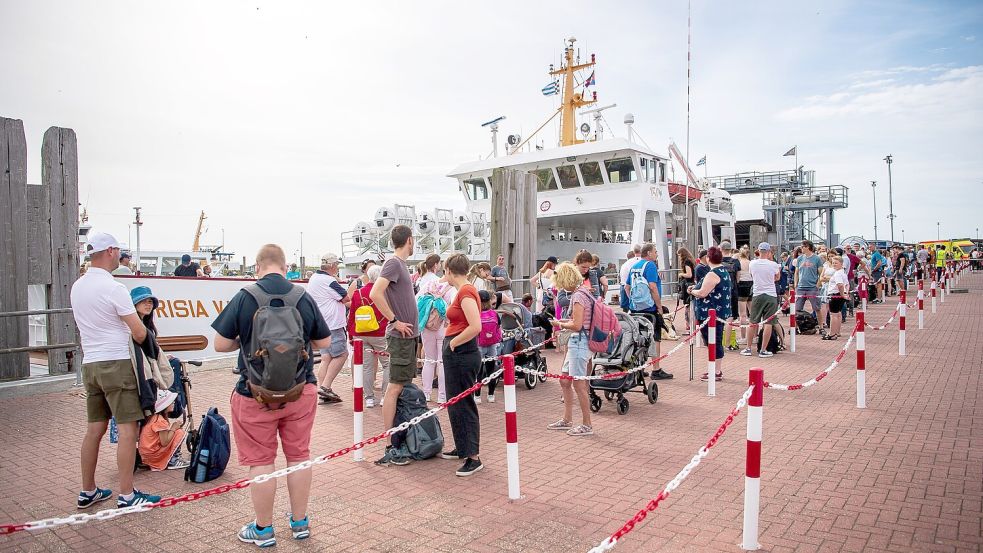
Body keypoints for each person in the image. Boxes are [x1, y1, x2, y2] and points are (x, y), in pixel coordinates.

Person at [212, 243, 330, 546]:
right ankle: (300, 522)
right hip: (299, 390)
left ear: (257, 266)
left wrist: (250, 340)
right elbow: (326, 342)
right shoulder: (302, 296)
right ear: (285, 264)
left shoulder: (245, 297)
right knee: (299, 455)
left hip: (254, 393)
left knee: (262, 461)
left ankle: (263, 529)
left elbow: (220, 345)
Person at [71, 232, 161, 509]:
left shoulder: (78, 286)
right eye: (119, 251)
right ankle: (127, 494)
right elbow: (137, 331)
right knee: (127, 430)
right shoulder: (114, 288)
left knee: (93, 430)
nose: (122, 256)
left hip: (91, 364)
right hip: (118, 363)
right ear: (109, 251)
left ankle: (88, 490)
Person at [370, 225, 420, 467]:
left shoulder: (401, 266)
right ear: (409, 240)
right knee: (394, 388)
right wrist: (394, 320)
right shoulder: (393, 264)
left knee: (401, 388)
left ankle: (400, 438)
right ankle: (391, 444)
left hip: (408, 338)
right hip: (400, 337)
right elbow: (375, 293)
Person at [438, 253, 485, 476]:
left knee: (462, 402)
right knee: (455, 401)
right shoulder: (464, 290)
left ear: (449, 270)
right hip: (458, 350)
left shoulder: (466, 291)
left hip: (462, 352)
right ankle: (463, 446)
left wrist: (454, 342)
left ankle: (473, 456)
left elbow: (476, 326)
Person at [547, 262, 596, 436]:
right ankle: (567, 419)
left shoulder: (577, 297)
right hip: (579, 341)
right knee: (565, 380)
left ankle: (586, 424)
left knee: (578, 384)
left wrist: (559, 323)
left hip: (579, 343)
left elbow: (576, 325)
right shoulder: (583, 293)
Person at [308, 253, 351, 404]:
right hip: (333, 324)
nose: (338, 268)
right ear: (332, 266)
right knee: (341, 355)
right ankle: (325, 387)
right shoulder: (329, 281)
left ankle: (323, 390)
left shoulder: (314, 278)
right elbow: (346, 299)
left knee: (326, 357)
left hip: (320, 324)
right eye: (337, 266)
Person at [625, 243, 672, 380]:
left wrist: (633, 301)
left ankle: (638, 367)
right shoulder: (650, 265)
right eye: (655, 252)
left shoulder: (634, 266)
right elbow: (653, 287)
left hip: (635, 308)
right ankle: (656, 369)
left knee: (638, 337)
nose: (656, 254)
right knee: (655, 337)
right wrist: (659, 306)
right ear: (649, 253)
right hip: (649, 309)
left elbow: (627, 287)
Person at [346, 264, 390, 408]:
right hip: (380, 333)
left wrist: (351, 335)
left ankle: (369, 397)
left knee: (367, 367)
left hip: (361, 333)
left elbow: (351, 315)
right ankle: (385, 396)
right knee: (387, 364)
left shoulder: (358, 293)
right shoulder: (384, 292)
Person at [689, 246, 732, 381]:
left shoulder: (712, 274)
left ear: (708, 258)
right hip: (720, 311)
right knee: (715, 340)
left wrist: (692, 291)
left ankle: (715, 370)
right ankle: (715, 369)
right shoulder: (723, 271)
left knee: (712, 341)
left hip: (709, 313)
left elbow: (702, 293)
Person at [417, 256, 455, 403]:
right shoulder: (452, 289)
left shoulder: (429, 284)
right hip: (443, 327)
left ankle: (426, 394)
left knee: (429, 360)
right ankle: (442, 396)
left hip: (427, 326)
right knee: (442, 361)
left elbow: (417, 300)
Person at [741, 242, 781, 358]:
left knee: (753, 321)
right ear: (769, 252)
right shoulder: (773, 264)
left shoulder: (753, 263)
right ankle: (763, 349)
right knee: (768, 322)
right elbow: (777, 277)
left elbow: (752, 276)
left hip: (757, 294)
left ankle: (748, 348)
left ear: (758, 251)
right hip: (771, 294)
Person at [138, 389, 190, 471]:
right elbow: (164, 442)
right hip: (153, 455)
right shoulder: (160, 420)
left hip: (147, 454)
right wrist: (173, 428)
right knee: (179, 433)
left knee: (176, 432)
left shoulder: (155, 417)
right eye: (171, 402)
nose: (173, 403)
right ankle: (173, 460)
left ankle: (169, 458)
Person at [474, 290, 502, 403]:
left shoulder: (476, 313)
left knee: (478, 372)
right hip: (492, 344)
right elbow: (499, 327)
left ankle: (477, 396)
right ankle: (491, 395)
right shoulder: (494, 314)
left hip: (479, 344)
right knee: (491, 371)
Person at [719, 242, 741, 350]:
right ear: (730, 249)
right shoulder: (736, 262)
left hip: (719, 293)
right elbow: (738, 278)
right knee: (730, 318)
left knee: (718, 317)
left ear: (721, 249)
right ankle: (727, 343)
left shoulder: (718, 262)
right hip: (732, 292)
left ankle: (718, 342)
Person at [822, 255, 849, 340]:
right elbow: (846, 284)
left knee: (833, 315)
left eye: (836, 263)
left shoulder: (837, 273)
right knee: (838, 314)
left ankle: (832, 334)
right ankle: (837, 332)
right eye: (833, 263)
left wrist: (842, 294)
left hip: (835, 295)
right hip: (840, 295)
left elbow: (840, 285)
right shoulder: (843, 273)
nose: (834, 264)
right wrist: (845, 293)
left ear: (841, 264)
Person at [794, 240, 822, 316]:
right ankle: (796, 327)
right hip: (801, 287)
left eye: (802, 246)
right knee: (797, 309)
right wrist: (796, 283)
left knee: (817, 308)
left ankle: (821, 326)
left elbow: (821, 273)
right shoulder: (800, 258)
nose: (801, 248)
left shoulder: (817, 258)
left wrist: (817, 285)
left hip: (812, 287)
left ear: (808, 247)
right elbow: (796, 272)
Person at [736, 246, 753, 345]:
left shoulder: (738, 262)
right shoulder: (750, 263)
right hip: (750, 285)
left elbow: (737, 276)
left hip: (741, 285)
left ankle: (743, 337)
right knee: (752, 312)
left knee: (742, 314)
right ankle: (754, 335)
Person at [676, 247, 696, 331]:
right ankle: (690, 324)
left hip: (688, 284)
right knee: (689, 305)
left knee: (688, 305)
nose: (679, 257)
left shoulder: (687, 262)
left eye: (679, 255)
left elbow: (689, 274)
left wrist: (681, 274)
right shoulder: (690, 261)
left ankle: (689, 324)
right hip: (690, 283)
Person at [618, 245, 641, 312]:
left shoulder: (625, 264)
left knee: (625, 309)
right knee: (635, 309)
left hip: (623, 286)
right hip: (632, 287)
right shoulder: (636, 262)